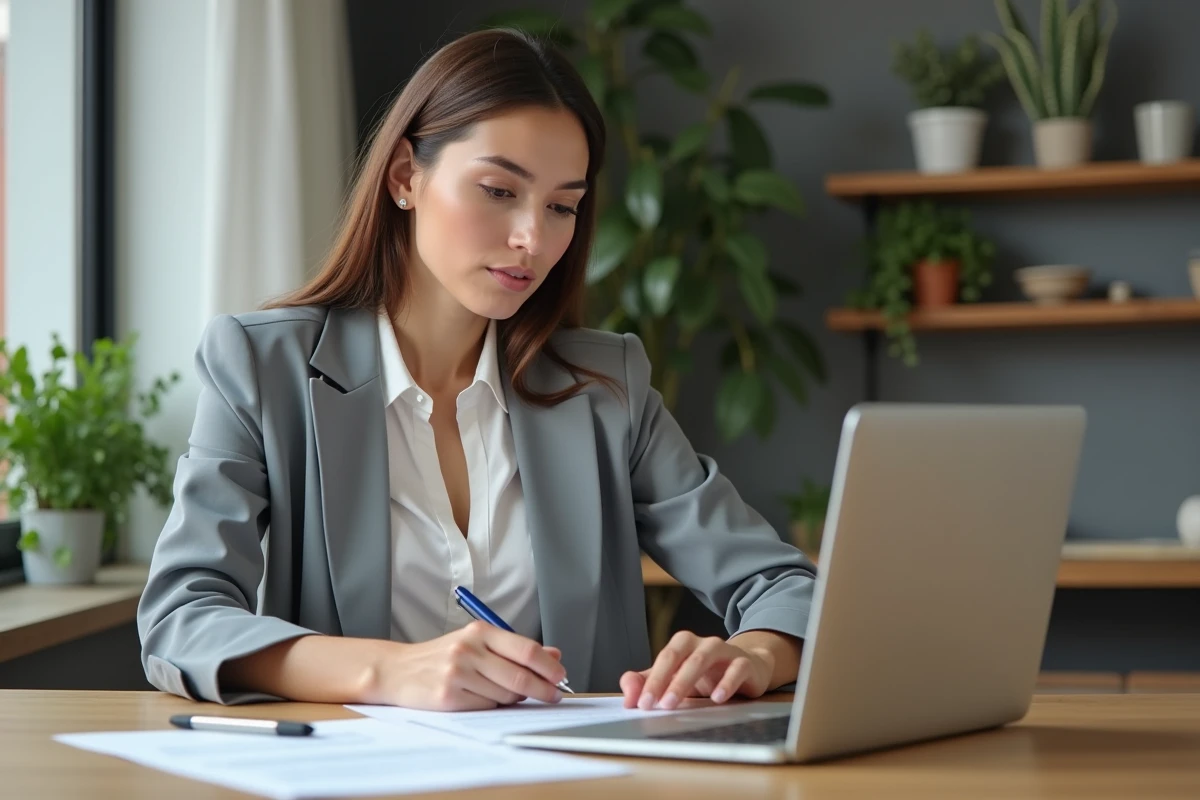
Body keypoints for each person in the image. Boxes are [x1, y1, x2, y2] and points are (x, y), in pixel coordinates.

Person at [137, 27, 816, 713]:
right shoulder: (263, 367)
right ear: (406, 176)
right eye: (498, 190)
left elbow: (790, 588)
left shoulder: (608, 386)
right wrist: (388, 672)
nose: (533, 237)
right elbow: (180, 619)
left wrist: (750, 653)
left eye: (562, 207)